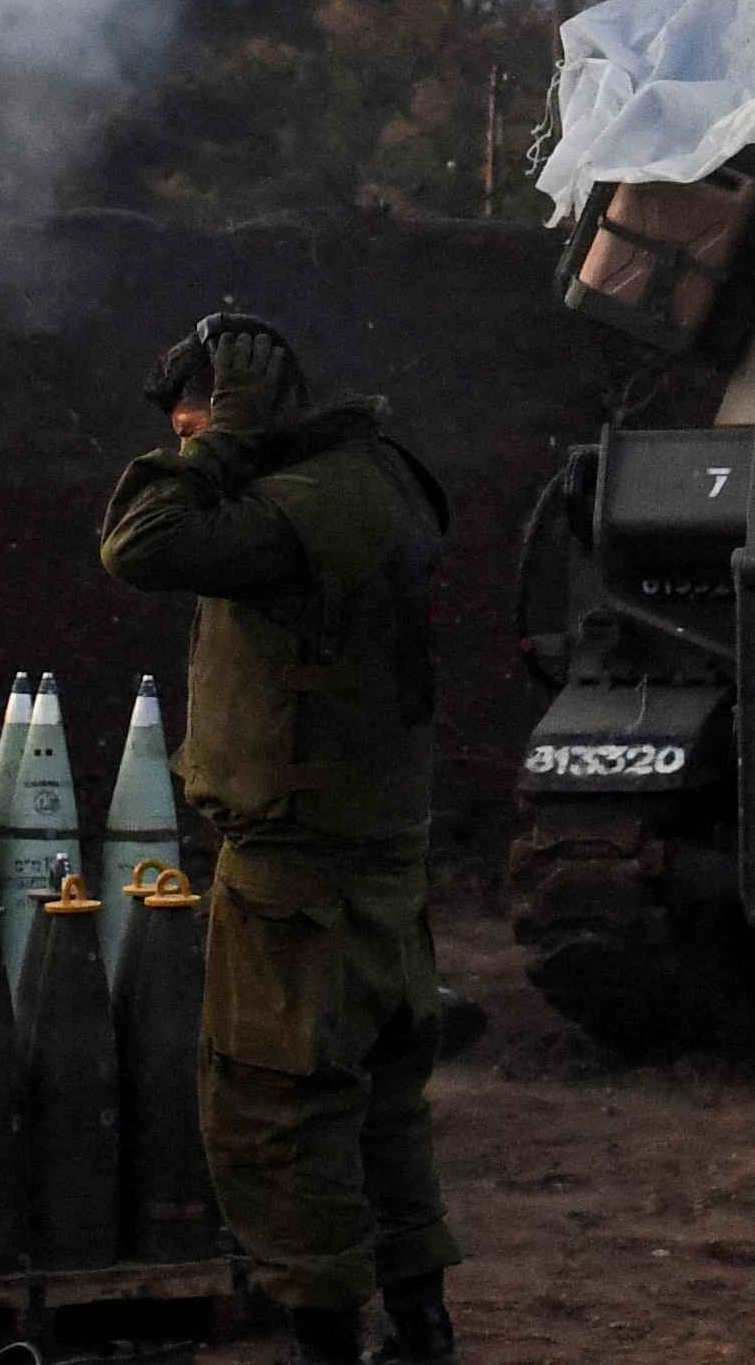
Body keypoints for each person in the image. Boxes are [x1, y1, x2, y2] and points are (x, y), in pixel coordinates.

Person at [97, 310, 467, 1363]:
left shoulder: (299, 508)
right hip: (380, 868)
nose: (184, 448)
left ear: (247, 410)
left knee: (276, 1120)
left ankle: (326, 1346)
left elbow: (140, 544)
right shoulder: (379, 476)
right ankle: (421, 1330)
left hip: (299, 880)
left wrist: (224, 446)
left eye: (190, 423)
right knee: (382, 1111)